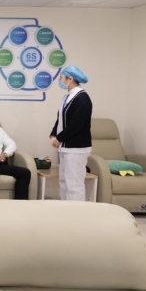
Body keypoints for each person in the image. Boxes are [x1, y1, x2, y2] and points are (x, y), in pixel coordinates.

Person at [49, 65, 93, 201]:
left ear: (70, 79)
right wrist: (53, 135)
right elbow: (60, 119)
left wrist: (59, 138)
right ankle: (66, 209)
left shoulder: (83, 98)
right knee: (64, 181)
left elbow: (76, 124)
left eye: (61, 78)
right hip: (65, 147)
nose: (60, 80)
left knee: (74, 185)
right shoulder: (68, 96)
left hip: (76, 148)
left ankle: (76, 212)